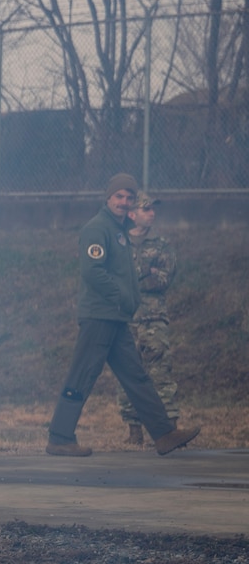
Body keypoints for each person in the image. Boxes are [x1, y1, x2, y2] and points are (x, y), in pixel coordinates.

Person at [46, 174, 199, 457]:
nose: (124, 202)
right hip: (100, 316)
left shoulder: (119, 231)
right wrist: (124, 297)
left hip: (116, 319)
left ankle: (163, 433)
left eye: (129, 197)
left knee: (136, 376)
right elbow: (93, 272)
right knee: (82, 375)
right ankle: (59, 437)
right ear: (108, 198)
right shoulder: (97, 229)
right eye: (119, 196)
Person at [117, 193, 180, 444]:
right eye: (146, 209)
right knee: (127, 372)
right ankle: (134, 432)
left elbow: (162, 280)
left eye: (153, 209)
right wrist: (146, 271)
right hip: (126, 318)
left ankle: (170, 428)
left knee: (161, 371)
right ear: (132, 214)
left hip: (154, 319)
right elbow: (115, 279)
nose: (152, 213)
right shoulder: (119, 243)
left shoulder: (162, 245)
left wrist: (135, 277)